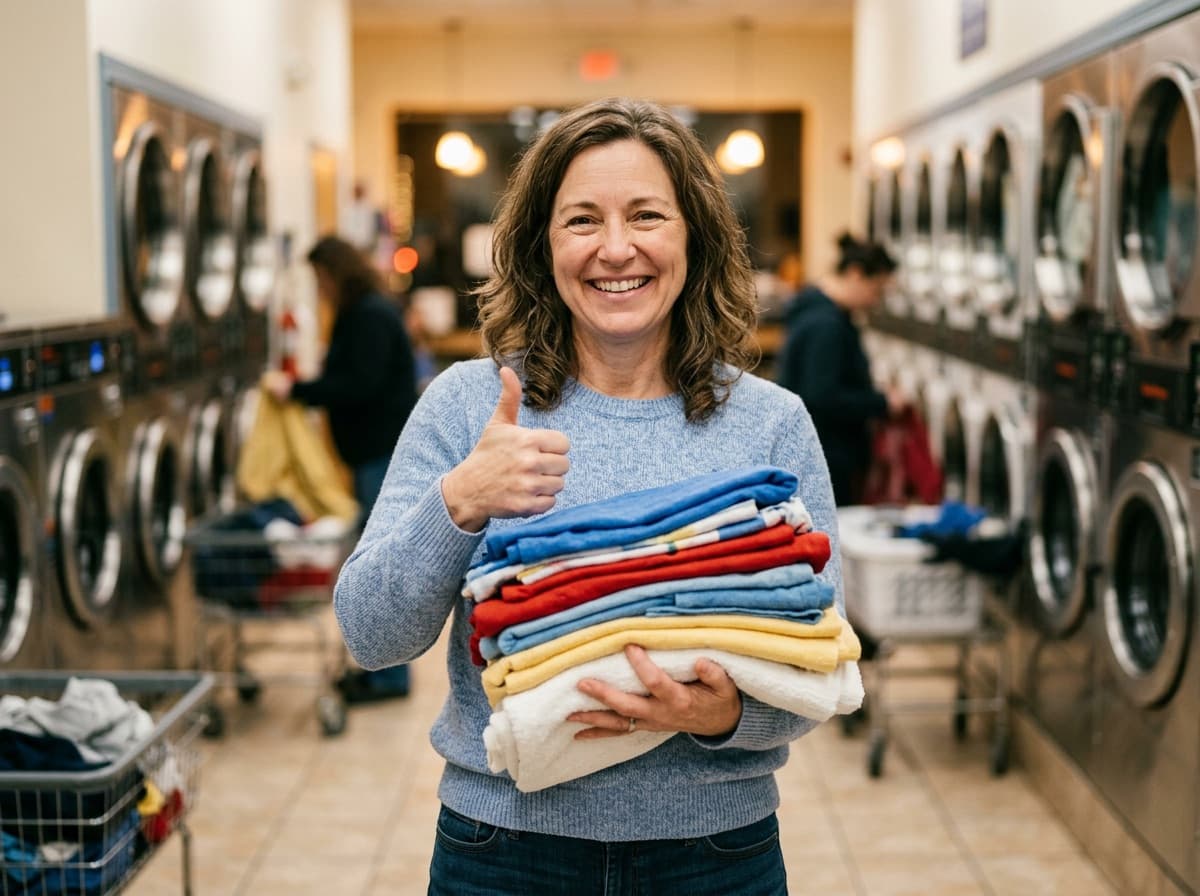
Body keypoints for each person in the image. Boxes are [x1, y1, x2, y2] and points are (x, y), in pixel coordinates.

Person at [332, 97, 844, 895]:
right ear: (541, 245)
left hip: (715, 856)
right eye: (581, 221)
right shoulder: (471, 406)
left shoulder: (770, 426)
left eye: (646, 214)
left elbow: (818, 664)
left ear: (694, 237)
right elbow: (370, 636)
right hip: (502, 849)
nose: (615, 249)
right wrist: (461, 500)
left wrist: (723, 716)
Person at [262, 234, 418, 699]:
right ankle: (383, 668)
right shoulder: (368, 311)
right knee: (380, 565)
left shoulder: (368, 314)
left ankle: (389, 676)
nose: (320, 288)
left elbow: (361, 385)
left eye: (321, 278)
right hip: (375, 454)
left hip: (381, 456)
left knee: (384, 567)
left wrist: (300, 390)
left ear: (335, 273)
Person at [775, 233, 905, 506]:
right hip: (827, 456)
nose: (876, 301)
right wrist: (882, 403)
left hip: (815, 451)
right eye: (876, 290)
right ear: (856, 275)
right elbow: (823, 396)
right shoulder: (827, 325)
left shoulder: (815, 310)